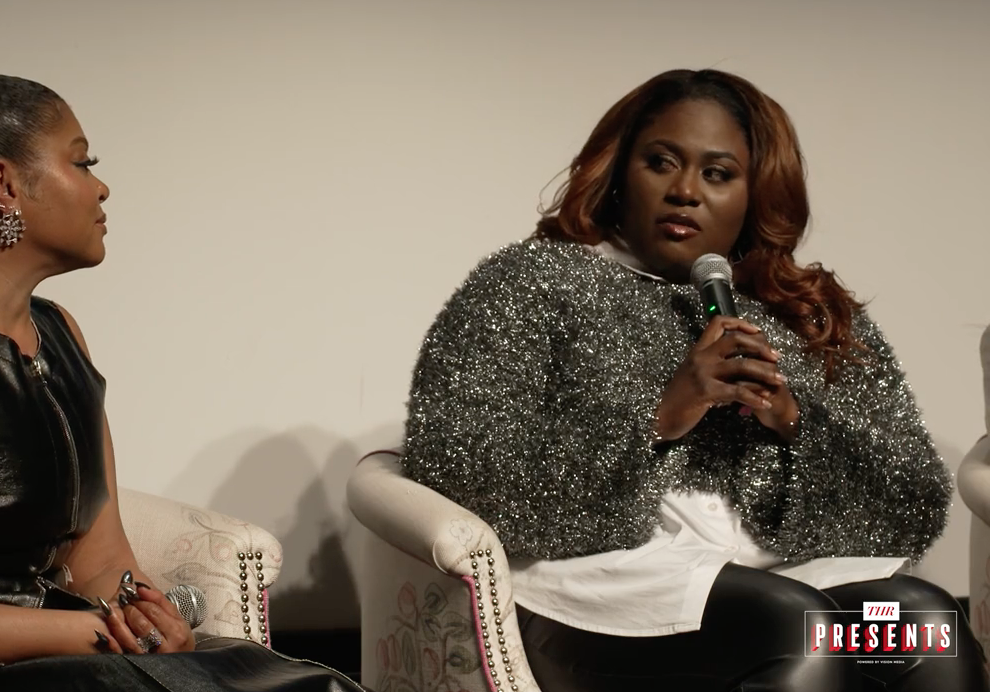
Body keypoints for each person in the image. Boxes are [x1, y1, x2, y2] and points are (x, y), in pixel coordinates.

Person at [0, 16, 361, 692]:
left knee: (309, 683)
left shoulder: (59, 331)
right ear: (0, 184)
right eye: (82, 163)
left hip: (74, 659)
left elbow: (102, 564)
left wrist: (151, 622)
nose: (100, 188)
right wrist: (91, 633)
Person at [400, 69, 983, 691]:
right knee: (794, 630)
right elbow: (455, 471)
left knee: (927, 626)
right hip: (602, 597)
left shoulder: (809, 311)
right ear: (618, 173)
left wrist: (794, 424)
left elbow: (913, 505)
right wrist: (660, 415)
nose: (685, 191)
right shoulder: (530, 284)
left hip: (786, 577)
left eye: (718, 174)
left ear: (755, 192)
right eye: (660, 163)